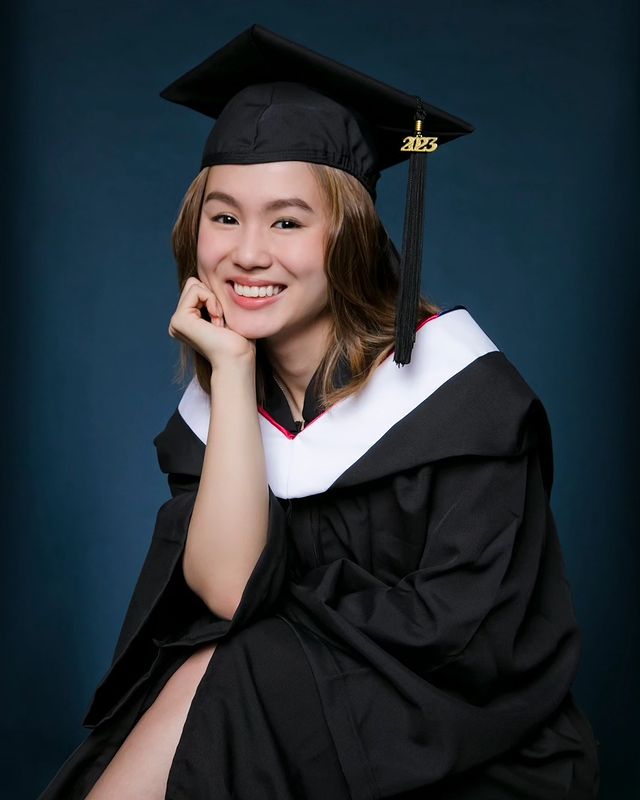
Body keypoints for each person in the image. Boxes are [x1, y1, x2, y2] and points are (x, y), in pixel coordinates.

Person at [38, 24, 600, 800]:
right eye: (224, 216)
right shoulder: (223, 414)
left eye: (289, 221)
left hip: (468, 747)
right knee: (217, 684)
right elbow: (229, 591)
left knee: (230, 680)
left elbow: (472, 646)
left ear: (352, 239)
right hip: (280, 720)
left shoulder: (463, 401)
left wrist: (272, 649)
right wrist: (232, 373)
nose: (246, 253)